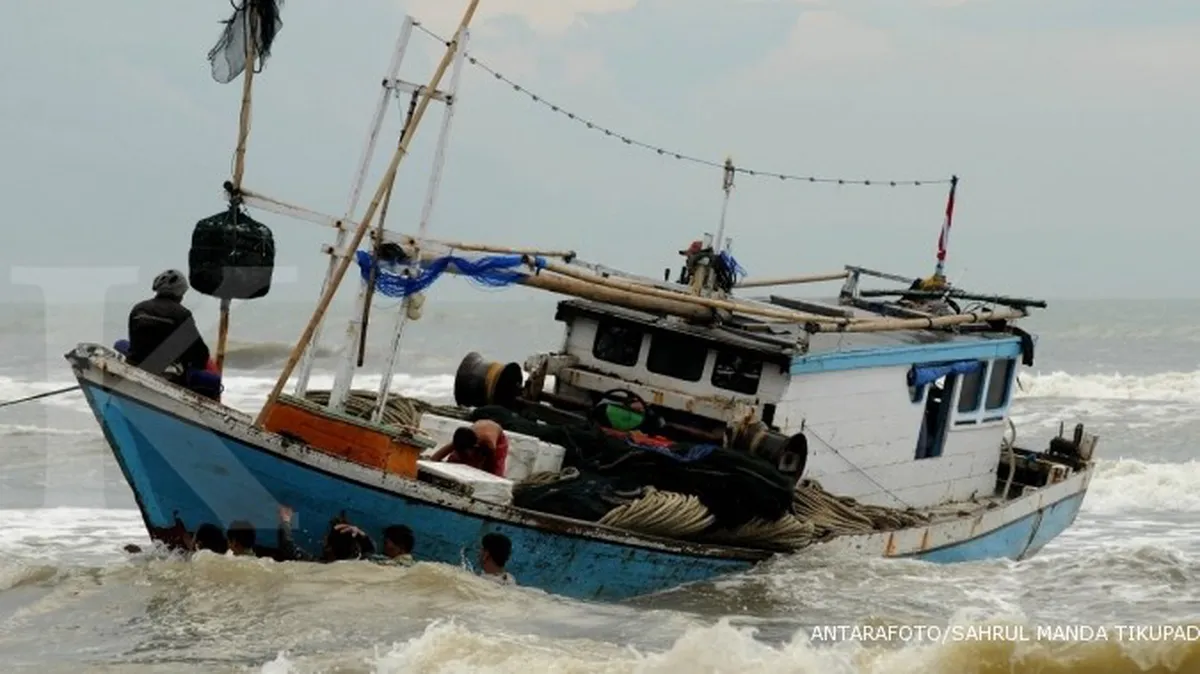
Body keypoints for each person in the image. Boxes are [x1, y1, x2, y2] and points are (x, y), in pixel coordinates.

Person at [127, 269, 210, 383]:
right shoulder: (182, 313)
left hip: (135, 363)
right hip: (166, 372)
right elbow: (199, 351)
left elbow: (133, 340)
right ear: (179, 292)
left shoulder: (138, 308)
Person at [429, 420, 509, 477]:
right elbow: (436, 457)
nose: (467, 454)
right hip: (477, 433)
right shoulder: (462, 438)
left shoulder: (489, 443)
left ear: (475, 445)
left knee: (493, 473)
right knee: (454, 461)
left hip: (497, 440)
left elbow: (491, 465)